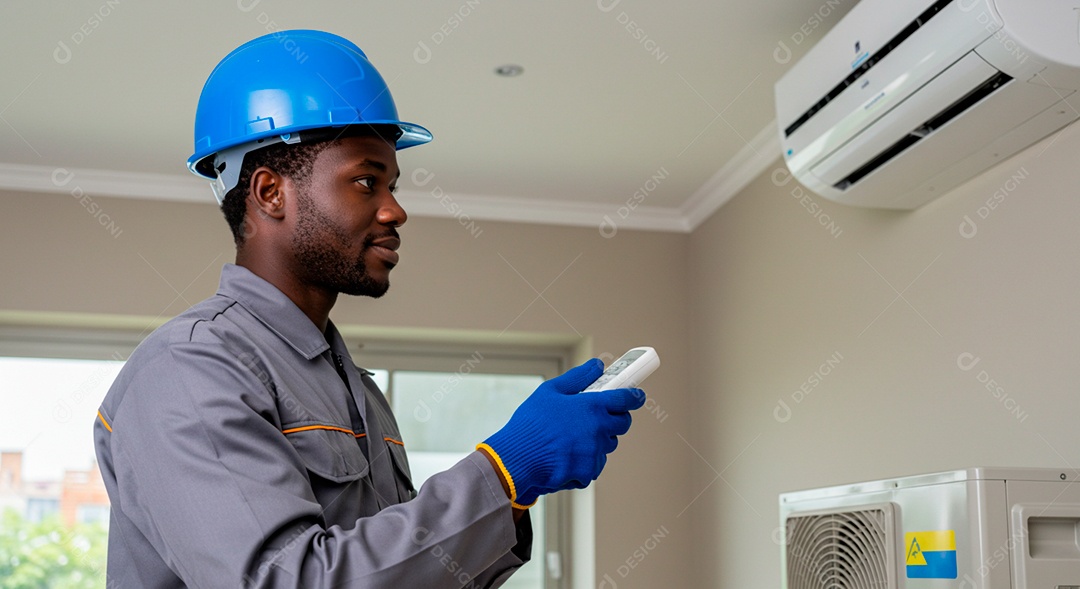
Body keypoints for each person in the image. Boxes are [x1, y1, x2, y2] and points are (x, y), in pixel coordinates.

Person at [93, 30, 646, 588]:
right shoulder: (190, 367)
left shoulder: (355, 389)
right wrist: (504, 471)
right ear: (269, 192)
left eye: (393, 186)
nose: (395, 211)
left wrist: (516, 494)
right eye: (366, 181)